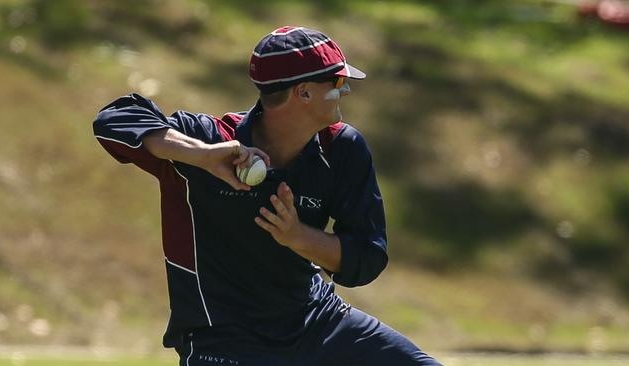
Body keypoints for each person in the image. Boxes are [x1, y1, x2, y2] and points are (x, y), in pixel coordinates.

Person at [93, 26, 442, 366]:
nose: (346, 90)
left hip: (317, 323)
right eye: (337, 82)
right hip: (223, 339)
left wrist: (298, 237)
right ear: (302, 92)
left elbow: (366, 258)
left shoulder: (343, 148)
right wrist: (201, 154)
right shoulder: (211, 140)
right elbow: (114, 120)